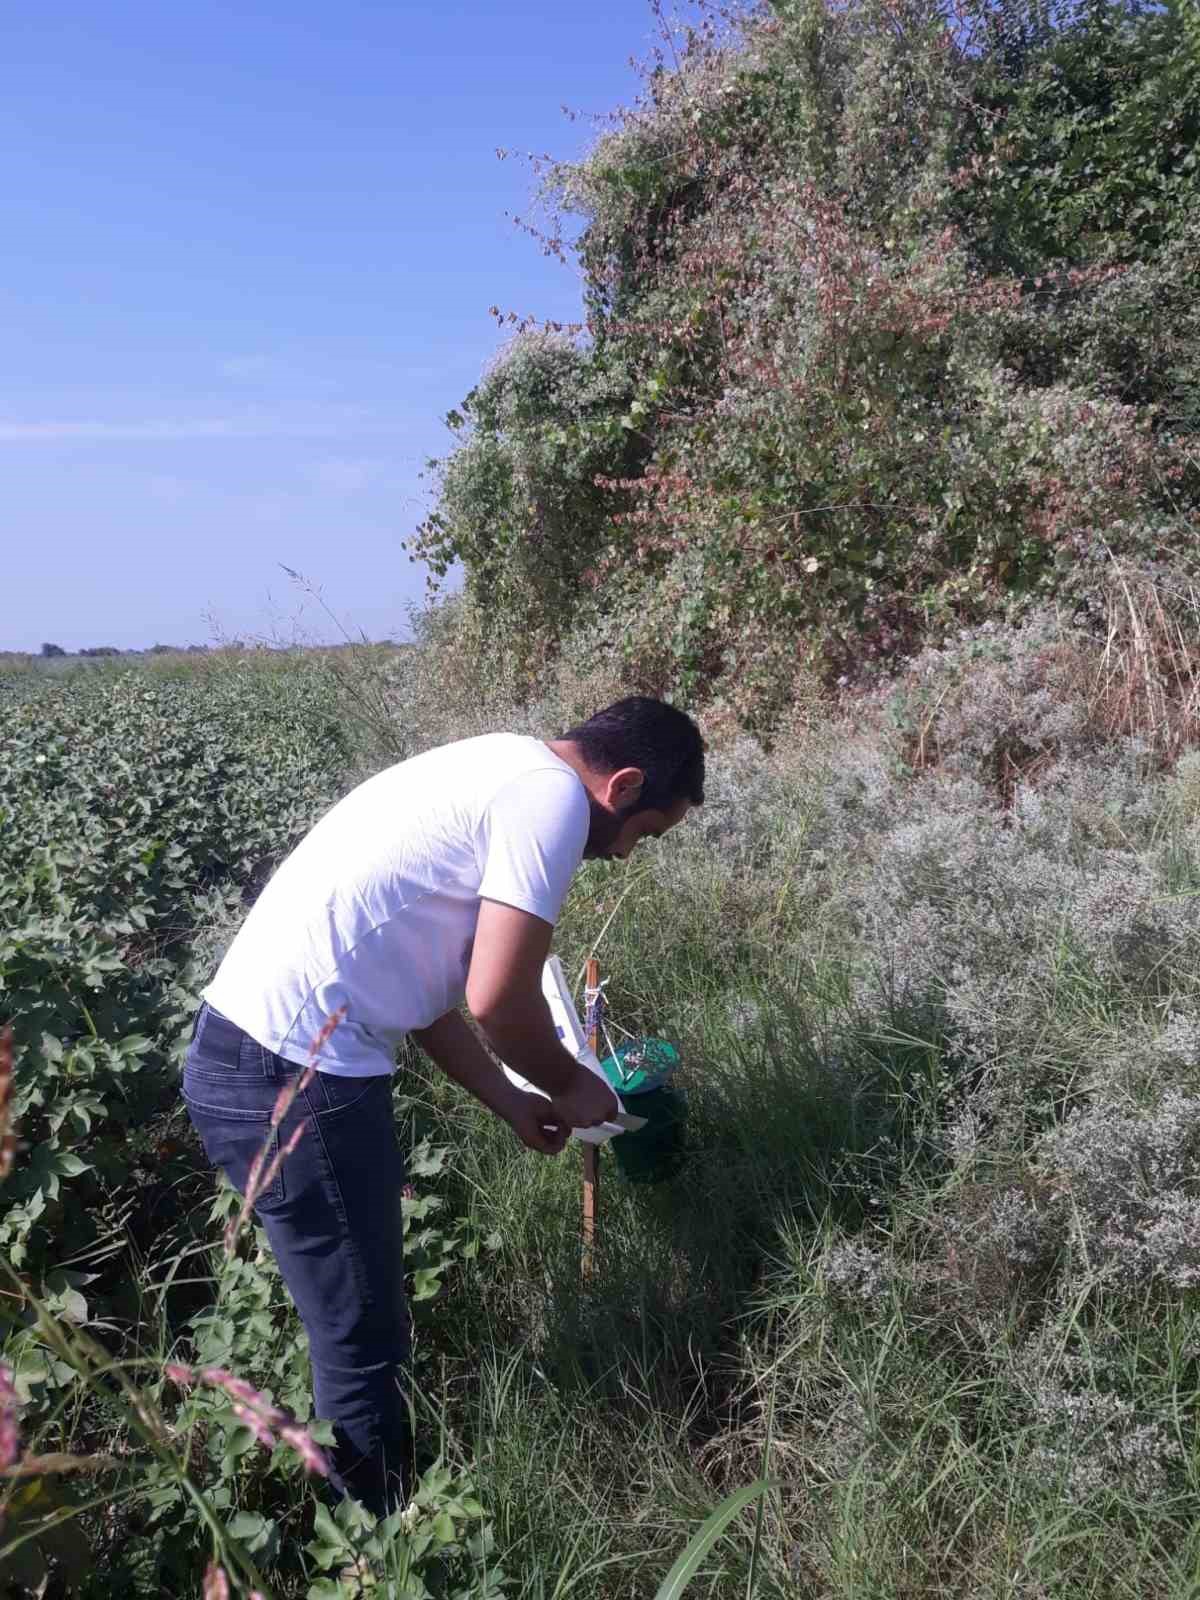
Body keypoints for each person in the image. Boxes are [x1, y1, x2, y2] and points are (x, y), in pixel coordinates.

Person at [181, 695, 704, 1514]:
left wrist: (508, 1101)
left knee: (349, 1317)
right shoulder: (552, 800)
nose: (630, 856)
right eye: (646, 834)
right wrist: (572, 1083)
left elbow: (429, 992)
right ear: (625, 783)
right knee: (361, 1340)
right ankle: (375, 1546)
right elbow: (498, 999)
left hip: (245, 1055)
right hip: (293, 1077)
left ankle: (365, 1520)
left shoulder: (499, 765)